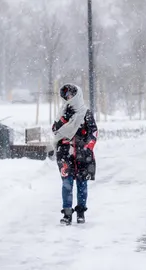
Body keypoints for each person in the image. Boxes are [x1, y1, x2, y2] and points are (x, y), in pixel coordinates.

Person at [51, 83, 98, 225]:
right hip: (65, 153)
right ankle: (67, 213)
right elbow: (55, 130)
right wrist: (64, 119)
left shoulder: (86, 113)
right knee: (67, 183)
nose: (69, 98)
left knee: (82, 183)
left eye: (71, 95)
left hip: (83, 154)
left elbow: (93, 132)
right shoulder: (63, 112)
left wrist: (86, 146)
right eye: (66, 96)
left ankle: (81, 212)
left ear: (77, 96)